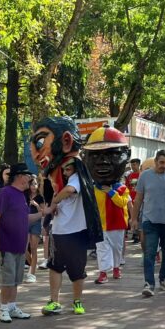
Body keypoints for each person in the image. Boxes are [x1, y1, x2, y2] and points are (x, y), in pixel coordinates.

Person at [30, 116, 103, 316]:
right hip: (60, 231)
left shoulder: (77, 175)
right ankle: (54, 301)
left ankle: (77, 301)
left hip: (76, 231)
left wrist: (53, 203)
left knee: (77, 270)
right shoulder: (59, 177)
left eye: (40, 143)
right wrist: (51, 210)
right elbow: (58, 192)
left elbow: (69, 191)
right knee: (55, 266)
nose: (64, 169)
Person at [0, 163, 50, 323]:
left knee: (16, 278)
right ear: (19, 176)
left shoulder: (22, 196)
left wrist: (42, 214)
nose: (30, 178)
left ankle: (12, 307)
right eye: (27, 175)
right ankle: (3, 309)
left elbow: (25, 219)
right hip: (6, 243)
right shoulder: (5, 193)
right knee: (8, 278)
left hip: (19, 244)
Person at [83, 126, 131, 284]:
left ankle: (116, 268)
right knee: (102, 249)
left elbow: (122, 202)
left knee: (117, 249)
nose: (102, 161)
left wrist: (111, 192)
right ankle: (103, 272)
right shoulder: (92, 189)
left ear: (127, 155)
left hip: (117, 225)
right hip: (100, 225)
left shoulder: (122, 188)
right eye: (95, 155)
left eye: (113, 154)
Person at [131, 149, 165, 297]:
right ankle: (149, 284)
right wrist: (134, 219)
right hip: (150, 221)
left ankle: (164, 279)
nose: (164, 166)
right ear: (155, 161)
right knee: (149, 253)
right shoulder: (145, 176)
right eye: (161, 162)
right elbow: (138, 199)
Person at [24, 176, 45, 282]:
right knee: (23, 247)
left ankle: (32, 274)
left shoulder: (40, 197)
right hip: (25, 221)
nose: (34, 186)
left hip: (36, 222)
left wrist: (36, 205)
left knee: (33, 248)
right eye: (32, 184)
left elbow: (44, 211)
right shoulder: (25, 195)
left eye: (36, 184)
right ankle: (33, 263)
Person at [125, 158, 141, 242]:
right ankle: (132, 233)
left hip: (139, 199)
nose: (133, 166)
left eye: (134, 164)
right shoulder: (129, 176)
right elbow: (126, 187)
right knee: (131, 216)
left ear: (138, 164)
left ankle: (137, 235)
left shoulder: (142, 175)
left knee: (138, 217)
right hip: (131, 200)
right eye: (131, 165)